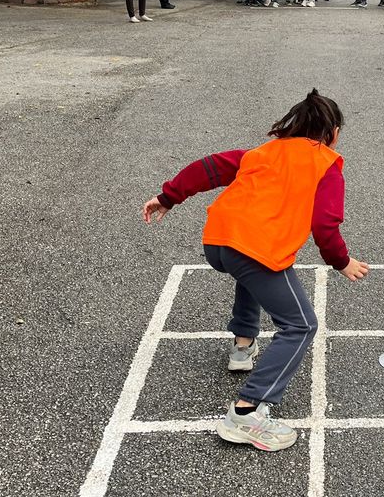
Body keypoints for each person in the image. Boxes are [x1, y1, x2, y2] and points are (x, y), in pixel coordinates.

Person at [142, 89, 370, 451]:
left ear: (290, 127)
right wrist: (342, 262)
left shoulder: (261, 153)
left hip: (218, 240)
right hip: (255, 248)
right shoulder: (326, 163)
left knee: (252, 277)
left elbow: (209, 167)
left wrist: (168, 196)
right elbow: (325, 227)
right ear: (333, 133)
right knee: (301, 324)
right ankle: (246, 413)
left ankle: (242, 346)